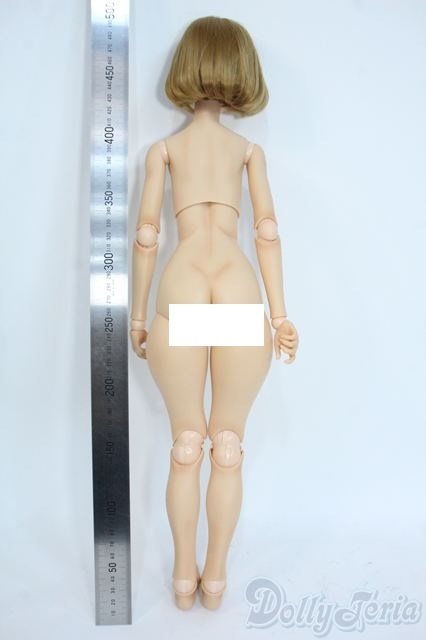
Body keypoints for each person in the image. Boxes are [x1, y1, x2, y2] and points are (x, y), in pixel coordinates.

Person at [129, 15, 299, 610]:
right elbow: (268, 232)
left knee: (186, 444)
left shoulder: (164, 150)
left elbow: (146, 237)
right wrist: (279, 315)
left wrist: (137, 318)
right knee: (226, 446)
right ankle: (216, 578)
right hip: (238, 295)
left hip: (181, 294)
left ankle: (183, 577)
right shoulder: (247, 151)